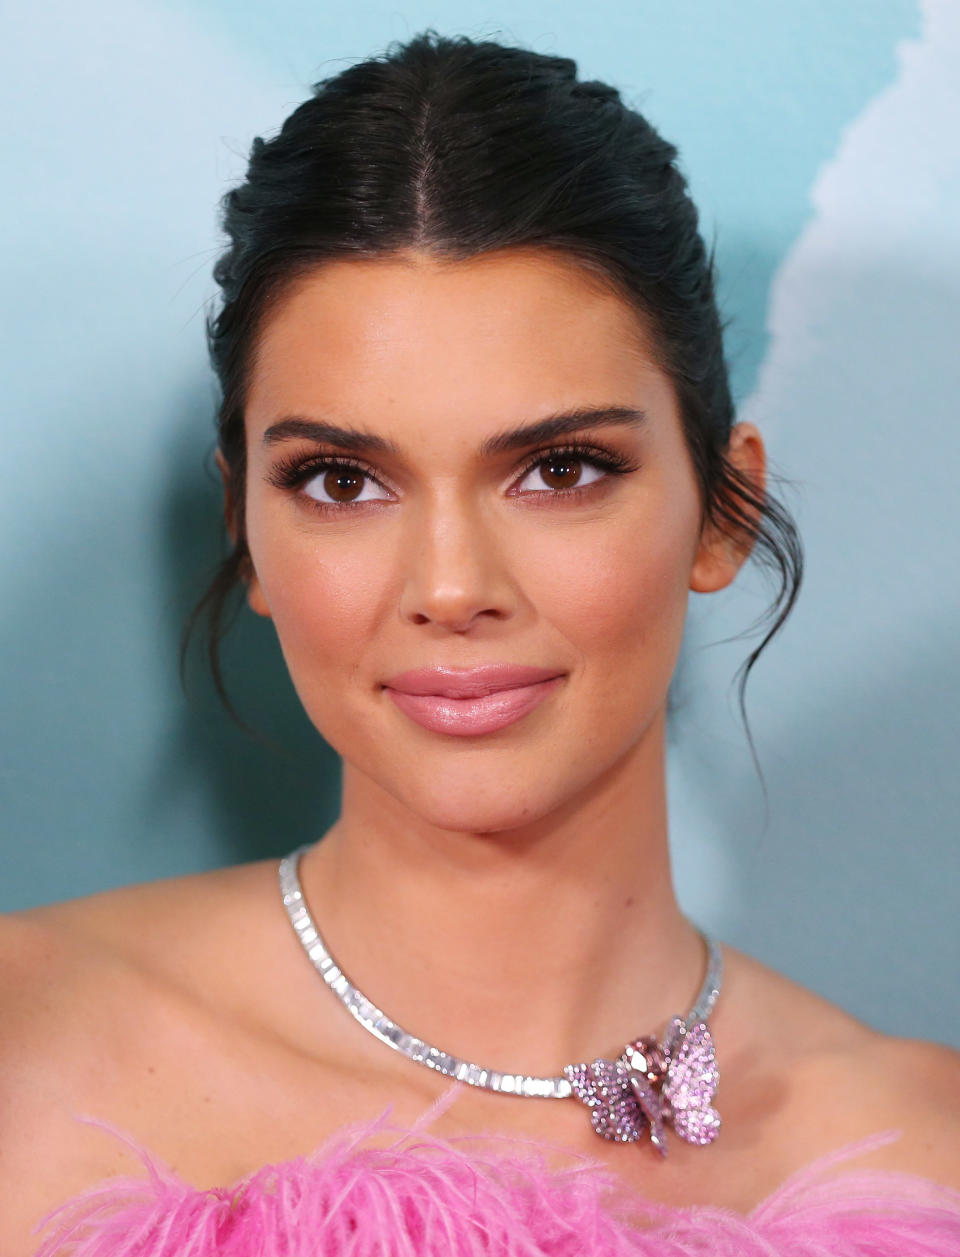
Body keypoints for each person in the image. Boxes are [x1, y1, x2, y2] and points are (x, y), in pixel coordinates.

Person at [2, 29, 958, 1257]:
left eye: (561, 470)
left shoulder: (916, 1162)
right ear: (245, 525)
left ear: (724, 510)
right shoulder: (26, 1055)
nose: (452, 587)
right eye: (343, 482)